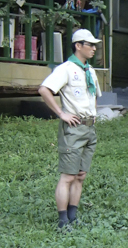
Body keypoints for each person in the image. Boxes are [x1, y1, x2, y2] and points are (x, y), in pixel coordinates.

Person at [38, 29, 102, 231]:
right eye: (90, 44)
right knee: (68, 176)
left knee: (81, 175)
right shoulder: (65, 69)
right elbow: (44, 89)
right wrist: (61, 113)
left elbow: (95, 96)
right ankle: (63, 220)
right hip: (73, 129)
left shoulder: (90, 71)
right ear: (78, 45)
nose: (93, 48)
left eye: (94, 45)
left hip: (89, 128)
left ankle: (73, 216)